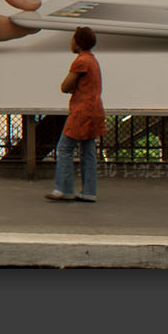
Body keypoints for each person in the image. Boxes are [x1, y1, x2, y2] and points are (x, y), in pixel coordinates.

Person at [47, 24, 104, 202]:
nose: (71, 42)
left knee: (64, 148)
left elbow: (65, 86)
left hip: (82, 111)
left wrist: (73, 89)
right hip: (95, 109)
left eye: (72, 39)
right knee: (87, 150)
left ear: (78, 43)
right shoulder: (93, 60)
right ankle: (89, 191)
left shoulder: (80, 61)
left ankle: (64, 189)